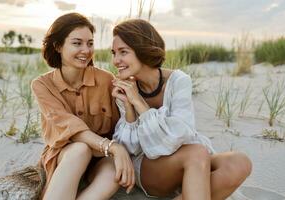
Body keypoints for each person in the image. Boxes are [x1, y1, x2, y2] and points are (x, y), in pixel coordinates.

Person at [111, 19, 252, 200]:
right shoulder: (125, 89)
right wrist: (130, 108)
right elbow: (129, 148)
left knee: (239, 162)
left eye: (123, 52)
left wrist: (139, 103)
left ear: (143, 49)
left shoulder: (179, 81)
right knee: (196, 152)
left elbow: (180, 135)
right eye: (114, 53)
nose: (116, 60)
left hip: (188, 160)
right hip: (148, 168)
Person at [31, 13, 135, 200]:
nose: (86, 50)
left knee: (114, 170)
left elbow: (122, 125)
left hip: (100, 158)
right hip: (66, 156)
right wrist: (114, 147)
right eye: (77, 43)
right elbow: (71, 128)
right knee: (81, 149)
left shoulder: (106, 80)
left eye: (90, 43)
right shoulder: (42, 85)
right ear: (58, 46)